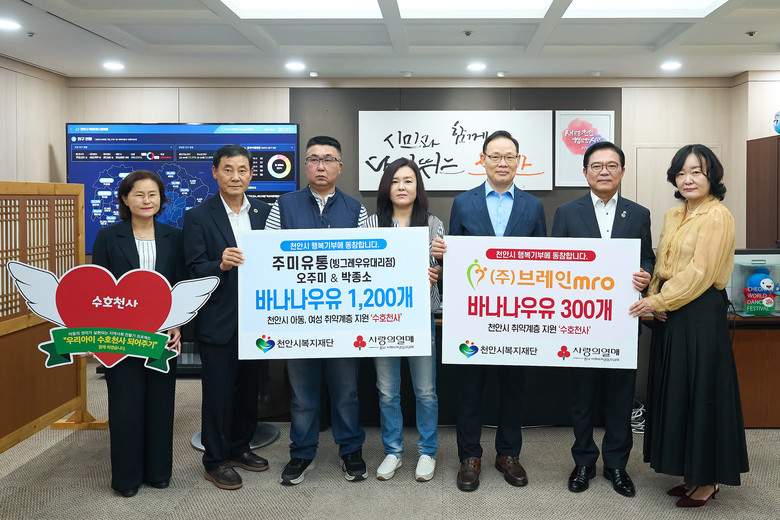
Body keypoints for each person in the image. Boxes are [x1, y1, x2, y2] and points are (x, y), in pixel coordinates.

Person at [629, 144, 749, 508]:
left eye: (696, 171)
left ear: (711, 175)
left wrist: (658, 301)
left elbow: (701, 272)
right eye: (681, 173)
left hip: (699, 313)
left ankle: (708, 480)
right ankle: (690, 473)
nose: (688, 179)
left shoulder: (717, 216)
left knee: (702, 393)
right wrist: (654, 295)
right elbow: (662, 264)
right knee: (678, 392)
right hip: (672, 313)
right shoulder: (673, 214)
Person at [432, 130, 546, 492]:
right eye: (495, 156)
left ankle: (508, 454)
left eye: (509, 156)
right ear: (482, 160)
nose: (502, 162)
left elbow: (544, 263)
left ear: (519, 162)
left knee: (513, 386)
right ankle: (470, 456)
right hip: (473, 314)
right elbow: (454, 261)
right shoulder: (463, 203)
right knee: (469, 387)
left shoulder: (533, 206)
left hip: (517, 314)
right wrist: (443, 258)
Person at [551, 141, 654, 497]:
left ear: (622, 171)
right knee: (582, 397)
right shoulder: (566, 212)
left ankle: (616, 465)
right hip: (581, 322)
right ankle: (583, 462)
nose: (604, 171)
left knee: (620, 397)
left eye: (612, 165)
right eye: (597, 166)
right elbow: (554, 261)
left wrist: (646, 274)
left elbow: (648, 257)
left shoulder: (638, 213)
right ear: (585, 173)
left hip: (622, 321)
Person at [265, 135, 369, 485]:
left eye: (328, 159)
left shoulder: (356, 209)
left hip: (342, 319)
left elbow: (367, 263)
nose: (320, 166)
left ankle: (350, 449)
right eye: (313, 159)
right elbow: (268, 257)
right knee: (302, 394)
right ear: (305, 165)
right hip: (298, 319)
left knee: (346, 391)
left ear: (340, 166)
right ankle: (302, 452)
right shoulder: (284, 205)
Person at [182, 145, 272, 490]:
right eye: (228, 169)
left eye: (242, 170)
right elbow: (192, 270)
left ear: (251, 173)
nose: (236, 177)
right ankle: (215, 460)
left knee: (249, 390)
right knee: (219, 393)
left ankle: (239, 447)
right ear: (215, 172)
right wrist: (219, 264)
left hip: (257, 318)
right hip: (219, 319)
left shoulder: (265, 212)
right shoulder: (198, 216)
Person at [91, 170, 184, 497]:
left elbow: (180, 285)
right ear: (125, 199)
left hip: (162, 335)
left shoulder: (175, 236)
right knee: (125, 406)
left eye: (153, 194)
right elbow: (98, 288)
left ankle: (158, 472)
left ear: (161, 199)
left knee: (161, 404)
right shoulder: (108, 236)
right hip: (121, 335)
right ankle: (127, 478)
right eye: (139, 194)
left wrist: (177, 323)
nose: (147, 200)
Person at [364, 158, 442, 482]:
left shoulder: (433, 223)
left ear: (417, 187)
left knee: (425, 391)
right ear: (387, 187)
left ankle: (427, 451)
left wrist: (438, 269)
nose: (401, 187)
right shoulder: (370, 224)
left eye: (408, 181)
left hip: (420, 317)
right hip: (382, 319)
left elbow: (439, 269)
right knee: (387, 391)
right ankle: (393, 451)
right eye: (395, 181)